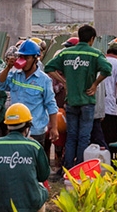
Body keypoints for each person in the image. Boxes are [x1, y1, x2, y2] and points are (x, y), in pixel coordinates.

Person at [44, 24, 111, 169]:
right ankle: (79, 170)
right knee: (84, 138)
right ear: (92, 39)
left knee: (71, 137)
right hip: (87, 101)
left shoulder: (65, 53)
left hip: (71, 102)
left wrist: (64, 82)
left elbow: (48, 67)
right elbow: (107, 69)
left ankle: (67, 169)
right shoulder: (95, 54)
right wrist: (95, 84)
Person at [0, 39, 59, 150]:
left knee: (36, 164)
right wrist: (8, 67)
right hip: (15, 130)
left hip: (35, 131)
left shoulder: (44, 80)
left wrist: (54, 128)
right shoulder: (14, 75)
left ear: (36, 59)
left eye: (27, 58)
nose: (23, 61)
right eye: (21, 57)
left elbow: (51, 105)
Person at [0, 104, 50, 212]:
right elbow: (43, 176)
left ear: (7, 125)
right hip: (29, 205)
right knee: (43, 189)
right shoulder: (34, 146)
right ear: (28, 126)